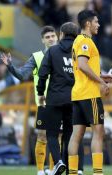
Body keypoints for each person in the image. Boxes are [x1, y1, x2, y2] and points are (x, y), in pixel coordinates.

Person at [0, 26, 58, 175]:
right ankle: (40, 171)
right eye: (48, 37)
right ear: (42, 40)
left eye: (53, 36)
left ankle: (52, 170)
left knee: (57, 137)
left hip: (61, 101)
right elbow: (23, 75)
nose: (51, 38)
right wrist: (10, 66)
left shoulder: (65, 55)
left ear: (57, 37)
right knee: (43, 135)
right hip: (44, 103)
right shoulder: (37, 57)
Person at [67, 10, 112, 175]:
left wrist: (104, 76)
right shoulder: (85, 41)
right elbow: (82, 65)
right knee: (98, 132)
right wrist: (101, 82)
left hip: (79, 93)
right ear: (88, 23)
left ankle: (73, 172)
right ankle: (98, 172)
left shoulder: (78, 41)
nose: (98, 25)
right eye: (96, 21)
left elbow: (84, 68)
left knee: (77, 134)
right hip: (89, 94)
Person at [37, 22, 79, 175]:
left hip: (54, 98)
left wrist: (40, 93)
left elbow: (42, 74)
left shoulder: (53, 51)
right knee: (69, 135)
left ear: (61, 34)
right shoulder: (80, 51)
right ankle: (68, 167)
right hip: (75, 99)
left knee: (52, 134)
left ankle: (58, 162)